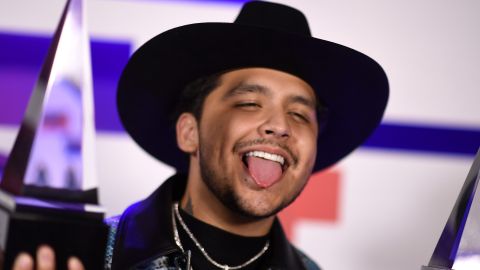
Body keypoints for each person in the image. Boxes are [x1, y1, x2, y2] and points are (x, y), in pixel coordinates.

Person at [14, 1, 388, 269]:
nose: (280, 126)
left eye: (298, 113)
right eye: (249, 103)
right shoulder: (86, 257)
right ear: (190, 132)